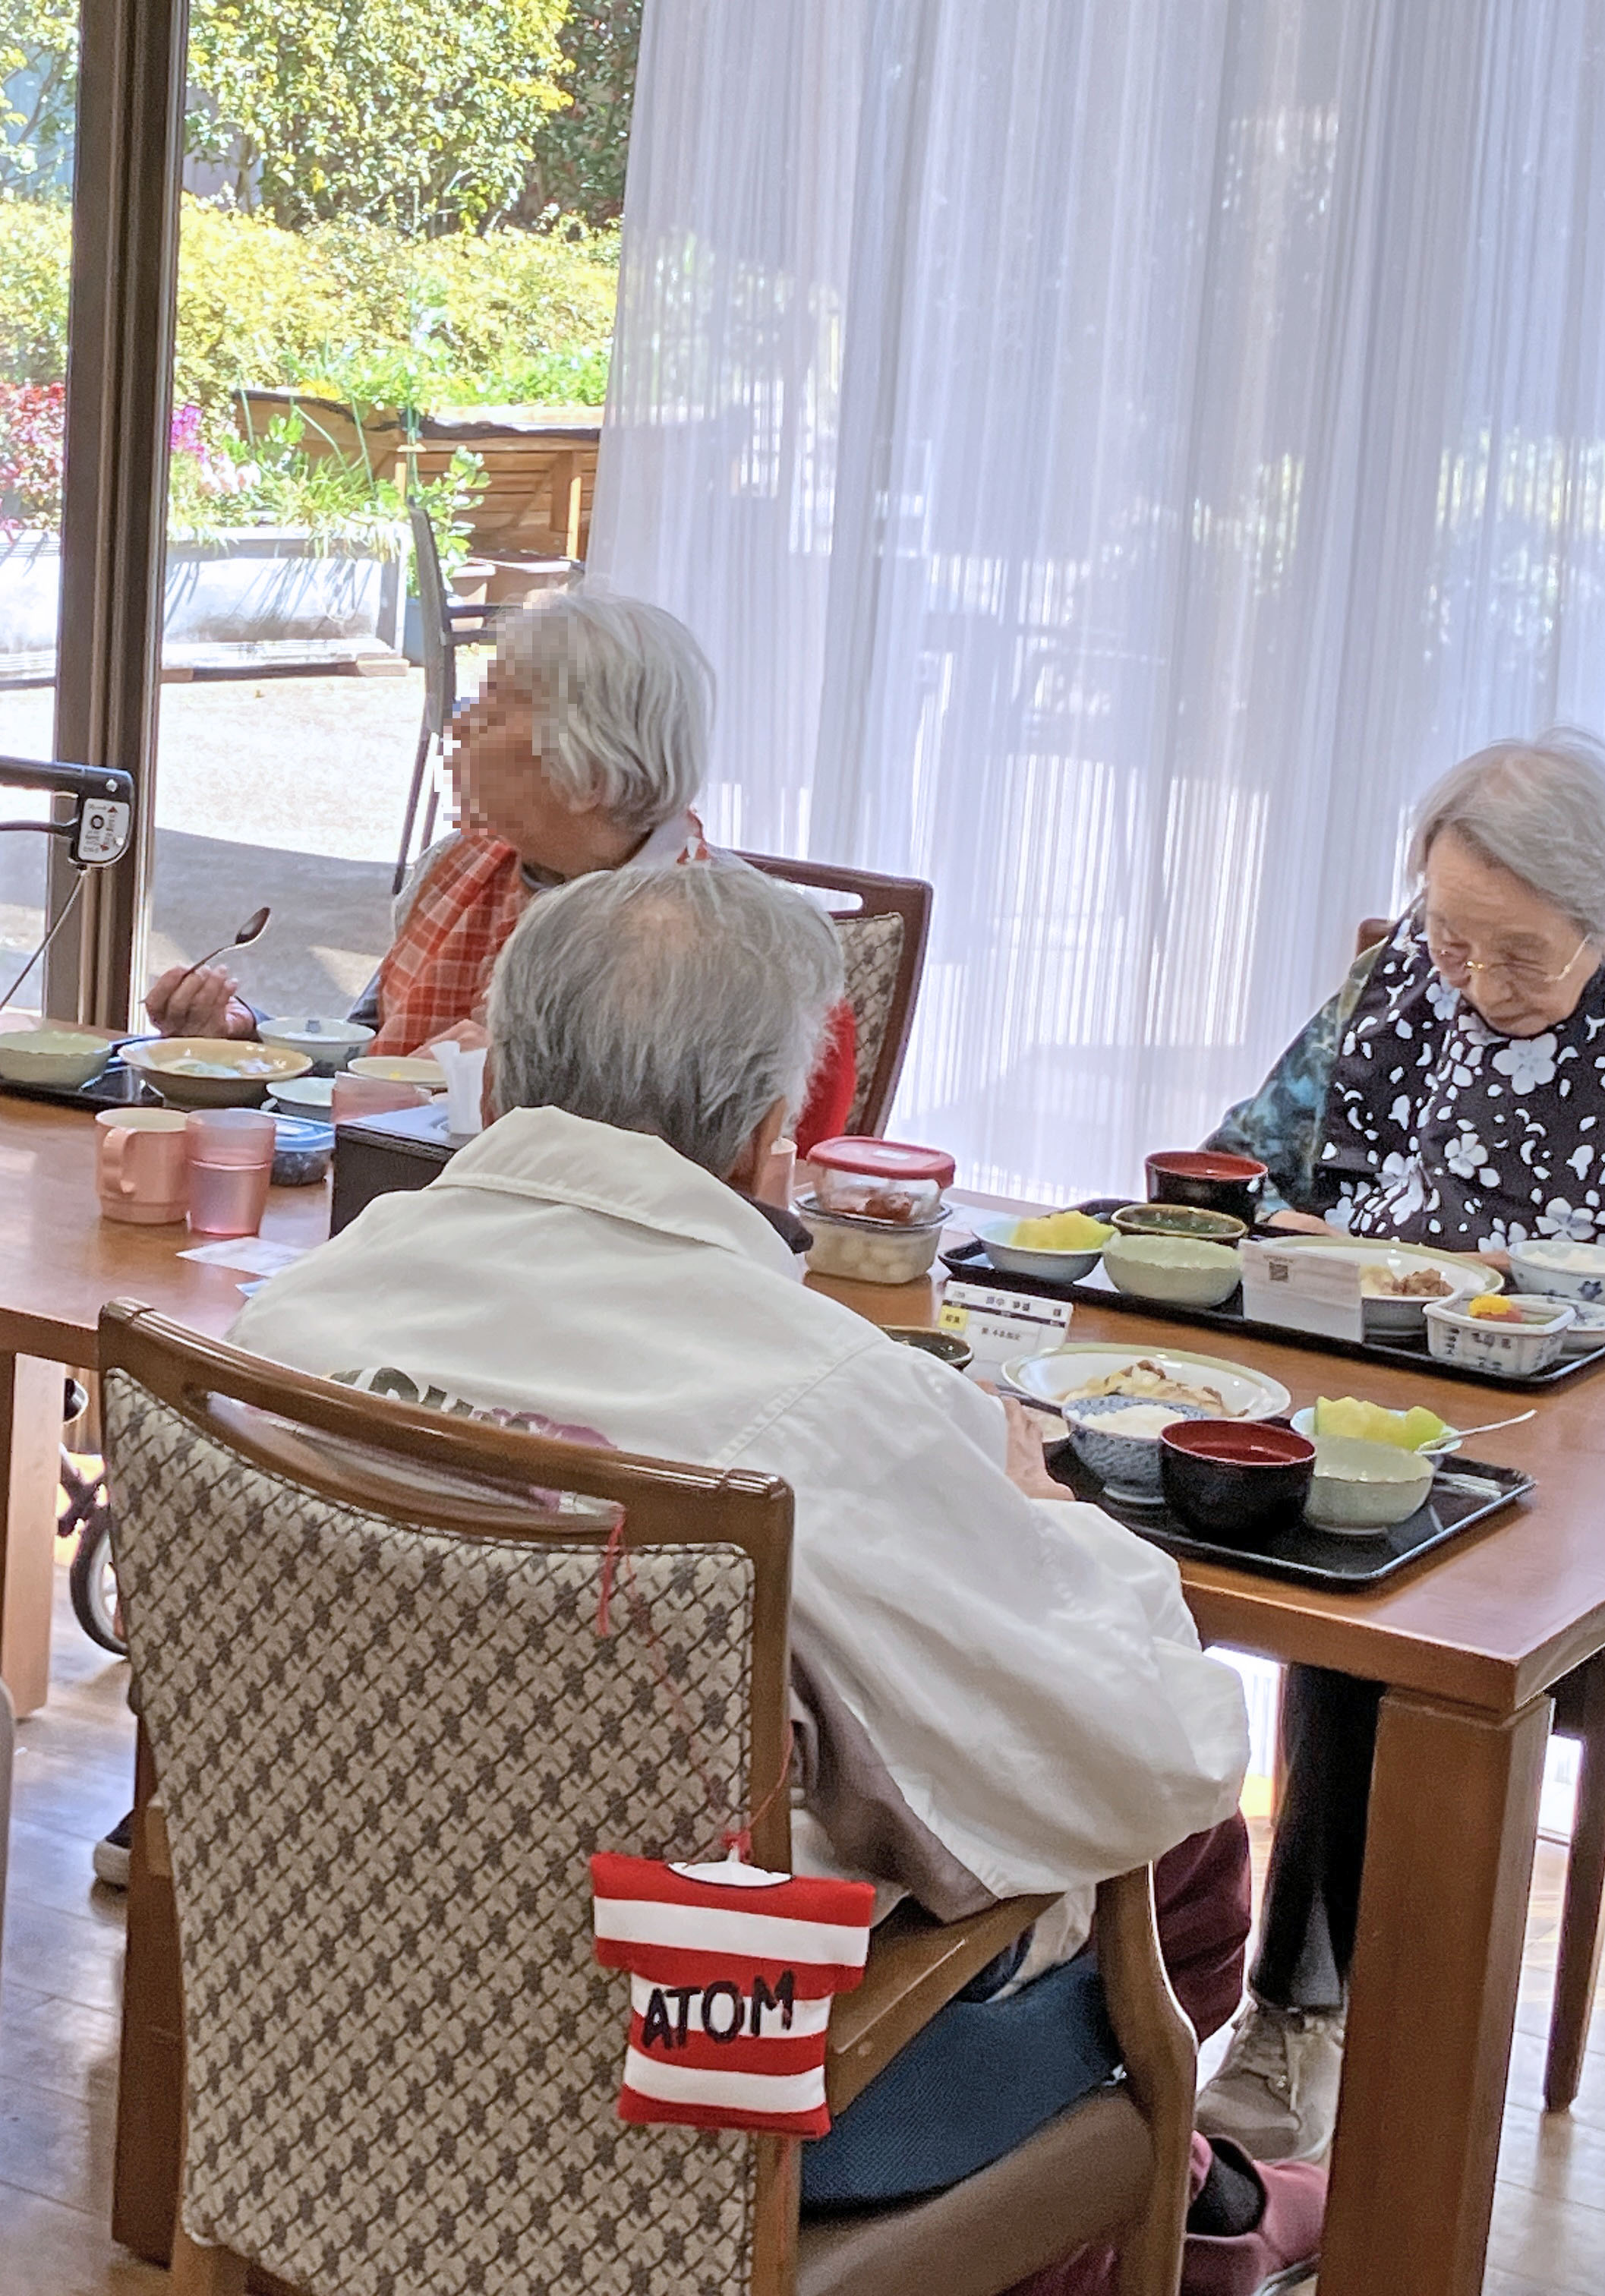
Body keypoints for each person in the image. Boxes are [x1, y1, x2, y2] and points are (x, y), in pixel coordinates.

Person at [225, 863, 1323, 2293]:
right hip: (690, 2077)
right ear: (770, 1133)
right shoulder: (822, 1408)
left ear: (495, 1081)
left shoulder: (295, 1317)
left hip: (330, 2007)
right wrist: (1041, 1510)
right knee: (1180, 1861)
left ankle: (1189, 2201)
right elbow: (1146, 1749)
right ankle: (1155, 2211)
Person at [1194, 730, 1605, 2162]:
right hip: (1374, 1408)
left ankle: (1308, 2017)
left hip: (1591, 1469)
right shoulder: (1403, 982)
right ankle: (1095, 1982)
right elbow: (1242, 1162)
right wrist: (1293, 1231)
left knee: (1373, 1572)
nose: (1475, 987)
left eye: (1523, 959)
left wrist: (1531, 1288)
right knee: (1147, 1506)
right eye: (1448, 937)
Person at [142, 587, 861, 1150]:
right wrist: (245, 1040)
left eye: (494, 708)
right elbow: (373, 1056)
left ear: (591, 772)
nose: (460, 729)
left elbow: (751, 1176)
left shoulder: (726, 946)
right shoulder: (460, 868)